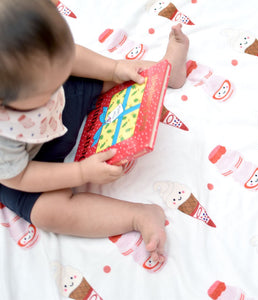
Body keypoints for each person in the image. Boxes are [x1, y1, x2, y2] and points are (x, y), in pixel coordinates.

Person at [0, 0, 189, 262]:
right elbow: (18, 177)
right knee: (47, 212)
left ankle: (167, 70)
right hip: (27, 166)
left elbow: (73, 58)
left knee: (126, 74)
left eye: (62, 69)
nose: (59, 81)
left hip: (65, 107)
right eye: (47, 89)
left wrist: (114, 68)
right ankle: (137, 216)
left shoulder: (48, 70)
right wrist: (80, 172)